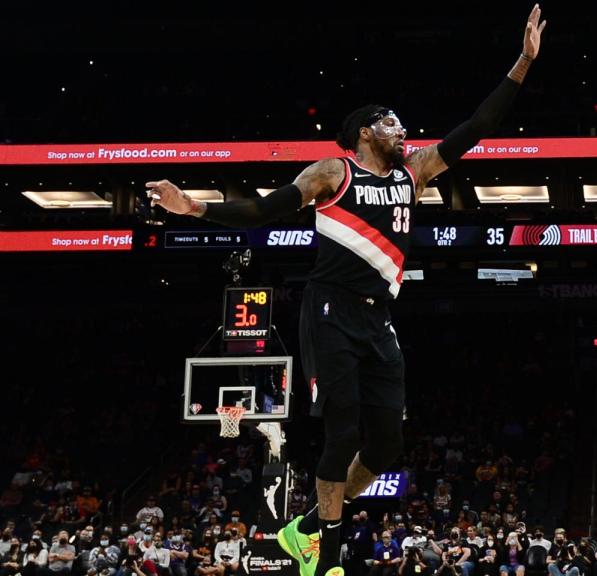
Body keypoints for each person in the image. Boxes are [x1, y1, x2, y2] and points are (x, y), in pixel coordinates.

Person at [145, 7, 547, 576]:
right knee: (343, 433)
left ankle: (304, 527)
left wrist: (524, 62)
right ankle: (326, 560)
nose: (403, 130)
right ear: (366, 132)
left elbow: (476, 127)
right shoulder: (333, 173)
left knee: (385, 448)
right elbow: (265, 208)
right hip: (328, 308)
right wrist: (193, 207)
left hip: (379, 316)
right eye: (392, 123)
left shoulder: (416, 174)